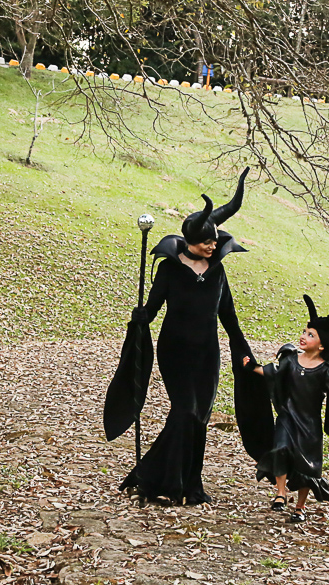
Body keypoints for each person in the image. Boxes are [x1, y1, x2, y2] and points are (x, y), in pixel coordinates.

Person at [103, 168, 271, 505]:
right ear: (190, 241)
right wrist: (138, 320)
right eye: (206, 241)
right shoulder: (168, 269)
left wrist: (244, 353)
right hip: (175, 351)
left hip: (207, 355)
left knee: (199, 418)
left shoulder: (218, 271)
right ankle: (163, 482)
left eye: (214, 240)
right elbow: (151, 310)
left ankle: (187, 484)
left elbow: (230, 319)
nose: (212, 246)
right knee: (183, 411)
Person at [242, 295, 329, 523]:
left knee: (308, 466)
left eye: (310, 335)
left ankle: (300, 507)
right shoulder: (291, 359)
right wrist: (252, 367)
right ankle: (281, 493)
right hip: (287, 416)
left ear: (322, 345)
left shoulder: (328, 369)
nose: (304, 337)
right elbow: (273, 372)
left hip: (309, 423)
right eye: (305, 332)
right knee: (281, 449)